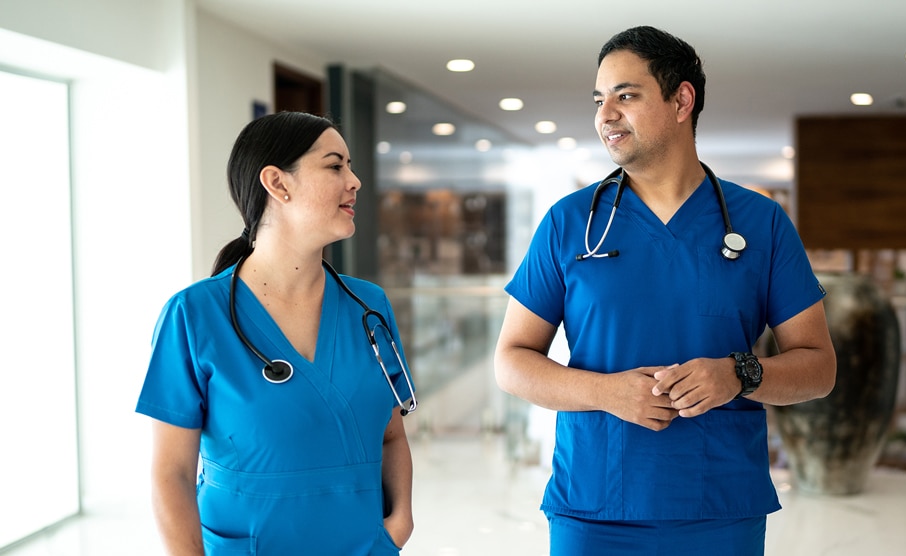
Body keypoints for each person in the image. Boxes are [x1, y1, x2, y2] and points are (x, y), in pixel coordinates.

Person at [493, 26, 836, 555]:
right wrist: (605, 393)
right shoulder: (570, 223)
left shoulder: (761, 224)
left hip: (718, 507)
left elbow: (818, 367)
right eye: (599, 100)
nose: (605, 115)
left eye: (626, 96)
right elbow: (511, 362)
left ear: (682, 100)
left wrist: (738, 374)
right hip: (595, 507)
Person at [136, 111, 416, 555]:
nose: (355, 181)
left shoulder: (369, 307)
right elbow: (171, 473)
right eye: (335, 165)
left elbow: (390, 434)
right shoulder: (193, 315)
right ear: (278, 183)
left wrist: (398, 524)